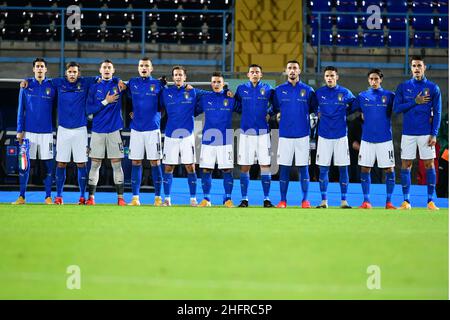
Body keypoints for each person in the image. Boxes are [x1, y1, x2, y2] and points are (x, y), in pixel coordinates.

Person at [394, 56, 442, 210]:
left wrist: (434, 134)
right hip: (408, 133)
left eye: (419, 65)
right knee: (406, 165)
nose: (416, 68)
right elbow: (396, 109)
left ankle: (430, 201)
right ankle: (406, 201)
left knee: (429, 165)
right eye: (414, 65)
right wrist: (415, 101)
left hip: (426, 133)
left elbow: (438, 113)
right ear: (410, 68)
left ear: (424, 67)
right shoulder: (403, 86)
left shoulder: (433, 88)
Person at [272, 60, 317, 208]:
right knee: (284, 168)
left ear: (299, 71)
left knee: (303, 168)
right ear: (286, 71)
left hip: (303, 135)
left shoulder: (308, 90)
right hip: (284, 135)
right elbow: (275, 110)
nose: (292, 71)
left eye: (295, 68)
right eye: (289, 68)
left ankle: (305, 200)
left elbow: (313, 110)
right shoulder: (278, 90)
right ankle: (283, 201)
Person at [351, 69, 397, 209]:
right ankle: (366, 201)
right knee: (365, 169)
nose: (373, 81)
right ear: (368, 80)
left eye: (376, 79)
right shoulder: (362, 96)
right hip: (367, 139)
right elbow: (348, 109)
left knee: (389, 169)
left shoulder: (390, 96)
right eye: (371, 79)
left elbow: (400, 108)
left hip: (385, 139)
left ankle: (389, 202)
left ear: (381, 80)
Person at [12, 58, 56, 205]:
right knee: (24, 165)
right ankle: (21, 196)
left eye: (42, 66)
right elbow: (20, 110)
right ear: (33, 69)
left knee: (48, 165)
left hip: (47, 132)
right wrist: (19, 130)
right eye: (37, 66)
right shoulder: (26, 86)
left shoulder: (52, 86)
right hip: (28, 133)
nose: (39, 69)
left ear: (45, 70)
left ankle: (48, 196)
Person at [85, 59, 126, 206]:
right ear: (100, 70)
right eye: (104, 68)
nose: (107, 70)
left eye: (109, 68)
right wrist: (106, 101)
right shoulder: (93, 87)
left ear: (113, 70)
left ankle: (120, 199)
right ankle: (91, 198)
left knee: (116, 164)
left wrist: (119, 80)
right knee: (95, 164)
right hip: (97, 130)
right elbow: (89, 110)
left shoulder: (119, 85)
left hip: (114, 130)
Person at [159, 66, 202, 207]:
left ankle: (193, 199)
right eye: (176, 75)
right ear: (173, 78)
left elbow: (211, 94)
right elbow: (154, 103)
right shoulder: (166, 92)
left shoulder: (192, 92)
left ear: (185, 77)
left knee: (190, 167)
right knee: (168, 168)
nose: (178, 77)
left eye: (180, 75)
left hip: (187, 135)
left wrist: (225, 92)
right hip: (171, 135)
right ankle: (167, 199)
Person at [315, 66, 355, 209]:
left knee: (343, 168)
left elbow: (354, 105)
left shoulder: (345, 92)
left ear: (337, 77)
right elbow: (313, 108)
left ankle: (344, 201)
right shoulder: (318, 93)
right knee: (323, 169)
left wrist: (346, 111)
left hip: (340, 136)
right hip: (324, 135)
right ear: (324, 77)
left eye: (332, 75)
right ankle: (324, 201)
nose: (329, 78)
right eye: (327, 75)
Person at [234, 64, 275, 208]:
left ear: (261, 75)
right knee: (245, 167)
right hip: (246, 133)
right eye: (252, 72)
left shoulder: (268, 88)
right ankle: (244, 199)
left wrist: (269, 112)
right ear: (248, 75)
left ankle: (266, 199)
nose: (255, 74)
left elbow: (276, 105)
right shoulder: (241, 89)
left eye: (257, 72)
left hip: (263, 133)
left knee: (265, 166)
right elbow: (236, 104)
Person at [195, 72, 237, 207]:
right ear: (211, 84)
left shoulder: (230, 99)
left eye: (219, 82)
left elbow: (243, 108)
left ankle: (228, 199)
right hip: (208, 139)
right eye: (214, 82)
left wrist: (233, 94)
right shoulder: (205, 98)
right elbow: (193, 111)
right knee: (206, 169)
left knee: (227, 170)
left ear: (223, 83)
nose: (216, 84)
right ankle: (206, 199)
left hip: (225, 139)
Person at [126, 57, 164, 206]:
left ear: (151, 68)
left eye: (146, 65)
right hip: (136, 129)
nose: (144, 67)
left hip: (152, 129)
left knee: (155, 162)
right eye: (141, 65)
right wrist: (130, 111)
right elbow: (124, 96)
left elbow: (164, 105)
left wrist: (157, 118)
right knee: (136, 161)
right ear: (138, 68)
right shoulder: (132, 83)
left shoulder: (158, 84)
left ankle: (158, 198)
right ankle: (135, 198)